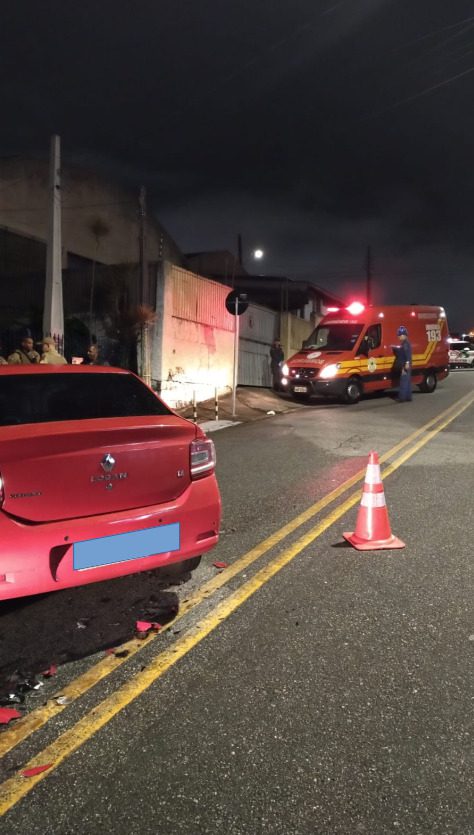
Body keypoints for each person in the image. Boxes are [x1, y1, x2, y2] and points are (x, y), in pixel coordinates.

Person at [395, 325, 412, 402]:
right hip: (407, 364)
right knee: (407, 381)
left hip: (405, 364)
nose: (398, 337)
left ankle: (402, 398)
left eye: (399, 335)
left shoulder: (405, 344)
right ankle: (408, 397)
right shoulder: (406, 343)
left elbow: (407, 354)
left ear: (403, 335)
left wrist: (407, 363)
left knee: (403, 381)